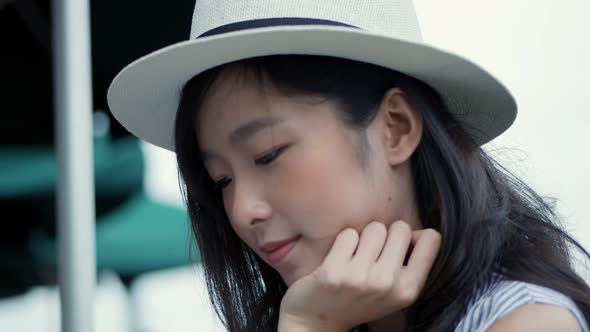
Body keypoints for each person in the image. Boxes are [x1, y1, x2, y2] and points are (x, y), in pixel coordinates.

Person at [106, 0, 590, 331]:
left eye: (268, 154)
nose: (241, 211)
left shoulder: (525, 322)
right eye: (222, 181)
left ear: (396, 127)